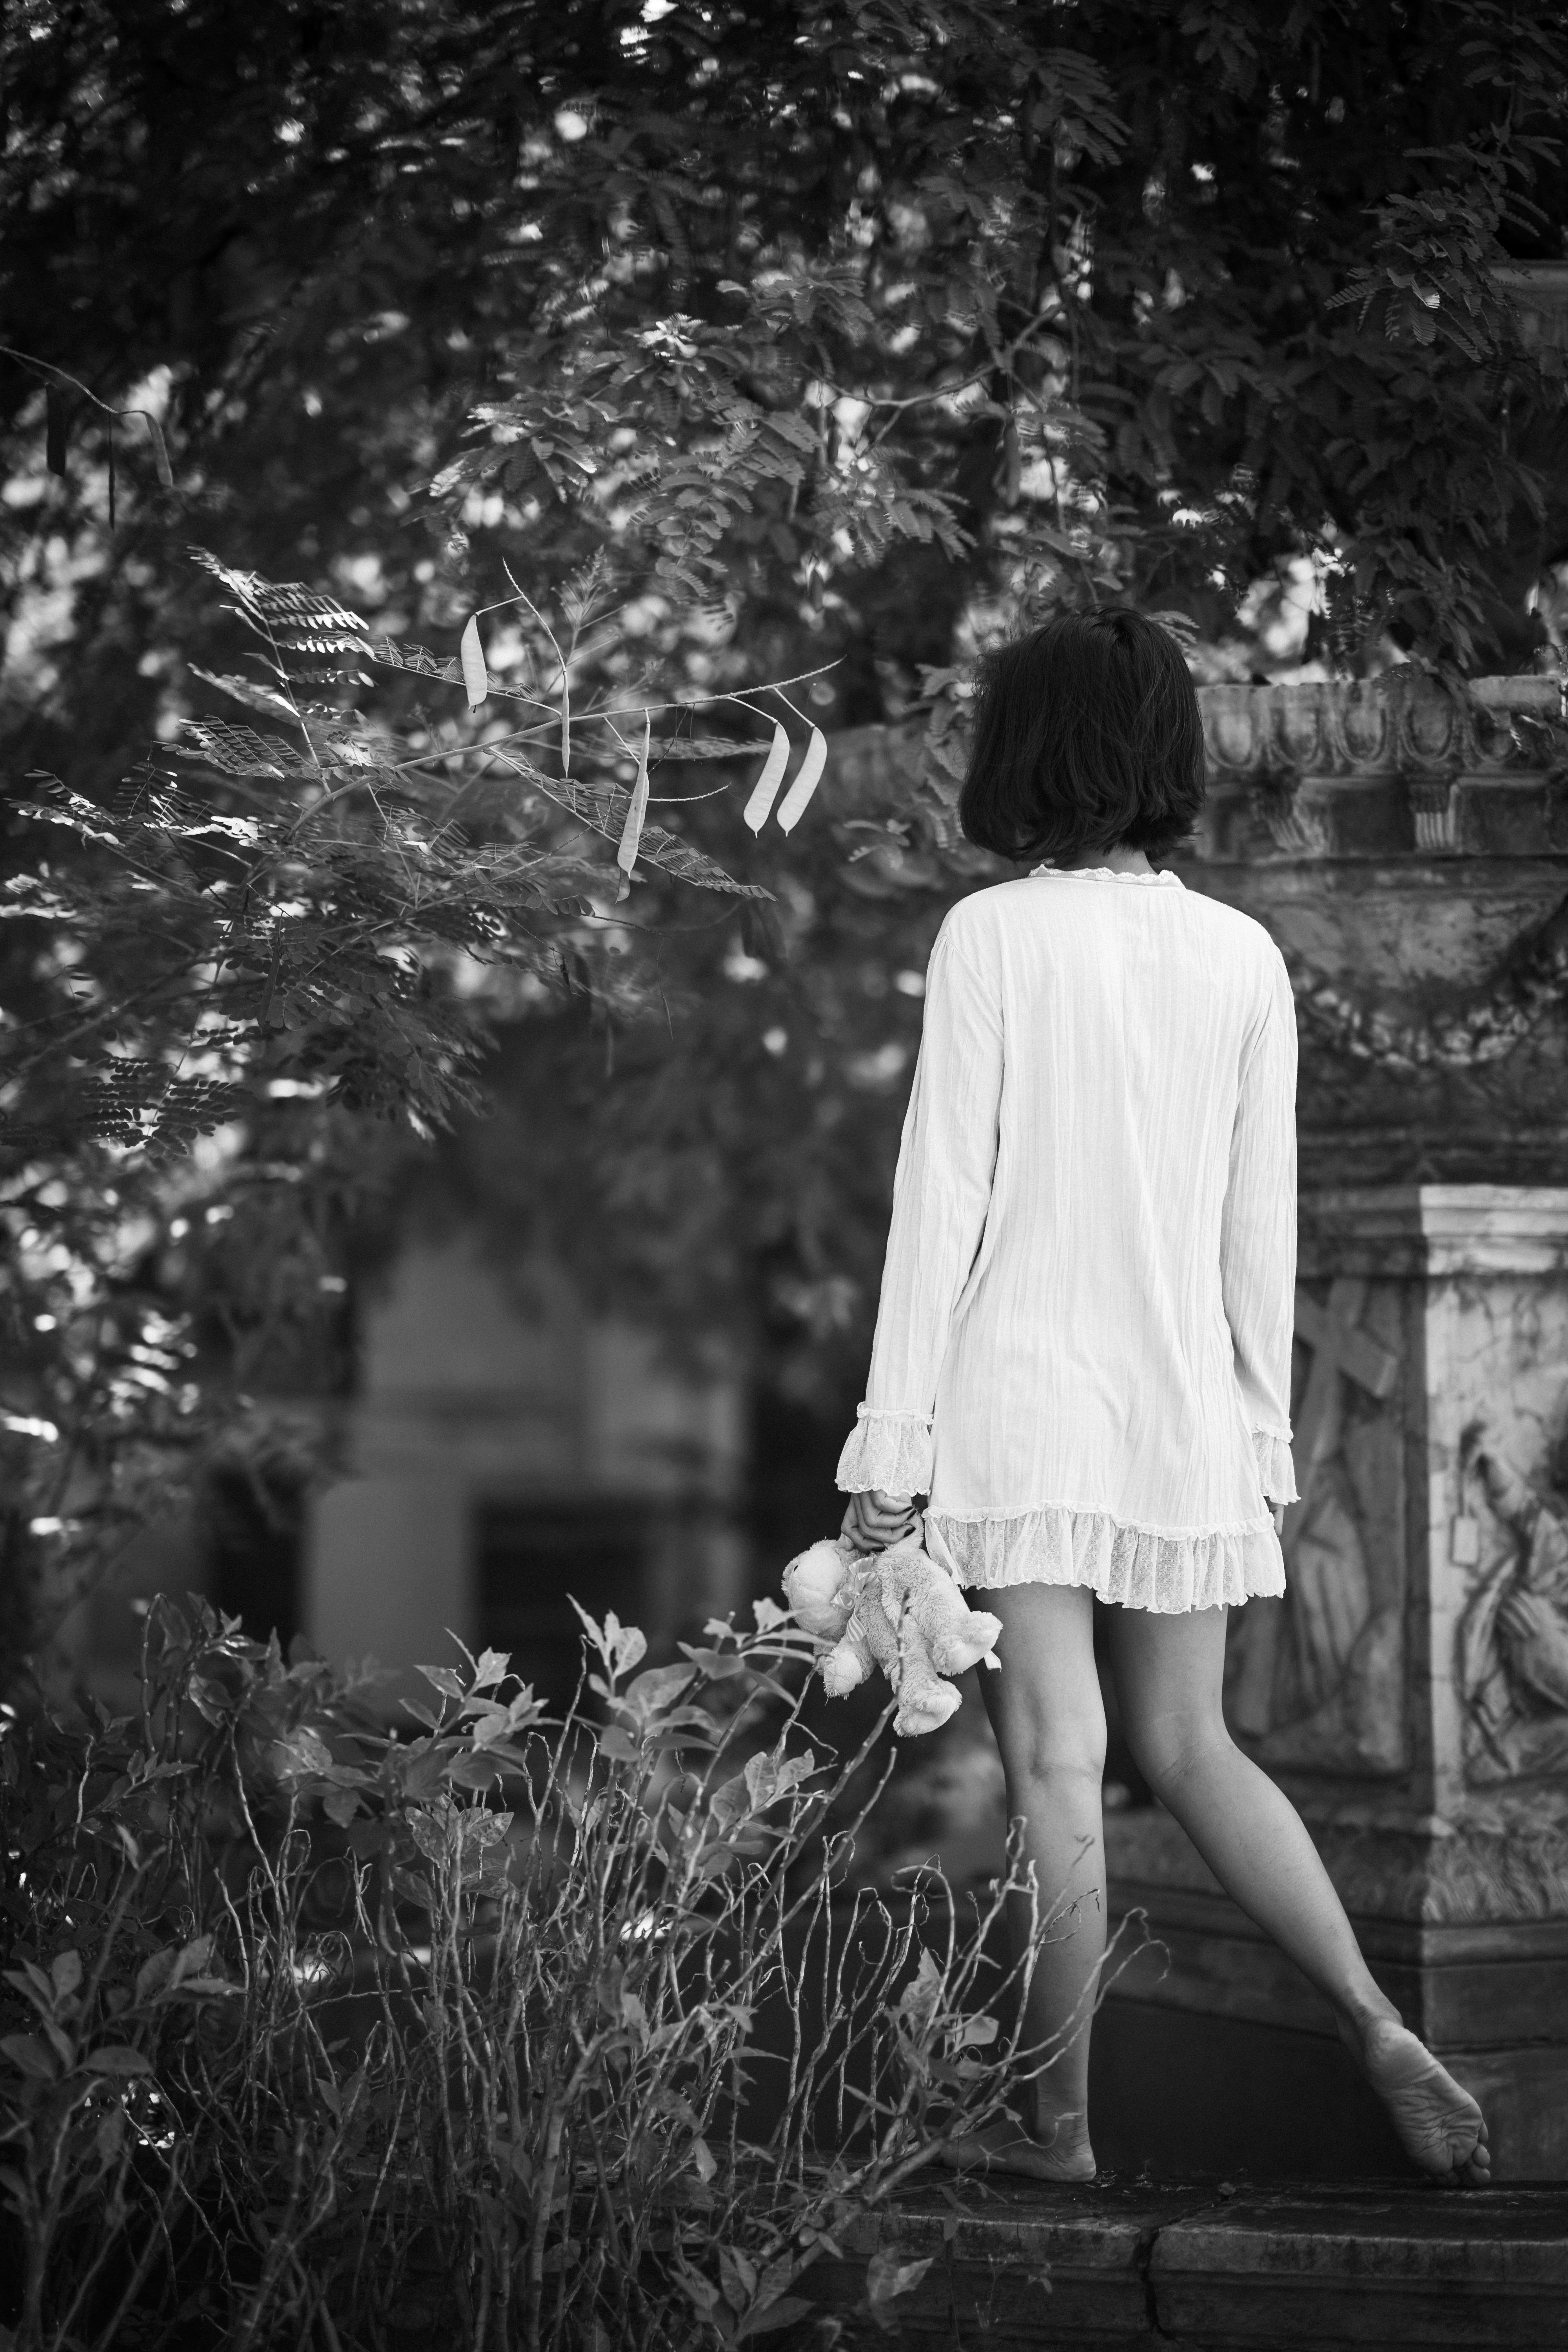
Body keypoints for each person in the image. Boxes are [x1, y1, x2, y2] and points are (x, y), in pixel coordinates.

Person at [835, 607, 1490, 2189]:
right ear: (1165, 756)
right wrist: (1258, 1444)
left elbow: (941, 1211)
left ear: (1021, 750)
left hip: (1020, 1401)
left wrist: (890, 1451)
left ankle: (1057, 2130)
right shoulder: (1242, 957)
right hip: (1184, 1409)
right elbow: (1251, 1231)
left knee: (1058, 1763)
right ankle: (1373, 2020)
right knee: (1193, 1748)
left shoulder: (992, 936)